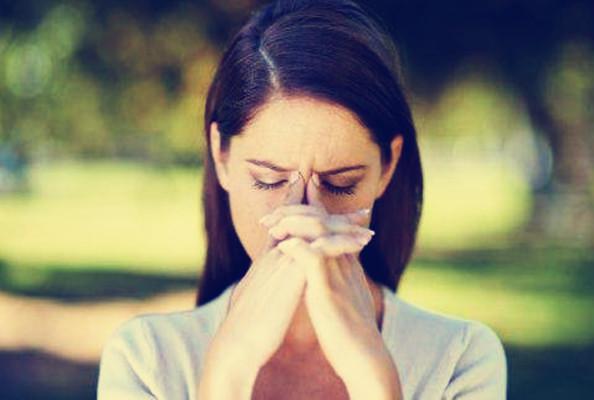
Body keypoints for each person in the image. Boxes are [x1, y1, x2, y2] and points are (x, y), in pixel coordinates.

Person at [97, 0, 507, 399]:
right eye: (269, 180)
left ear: (388, 167)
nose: (304, 220)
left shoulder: (458, 360)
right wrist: (229, 368)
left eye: (341, 184)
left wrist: (373, 375)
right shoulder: (147, 361)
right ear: (221, 156)